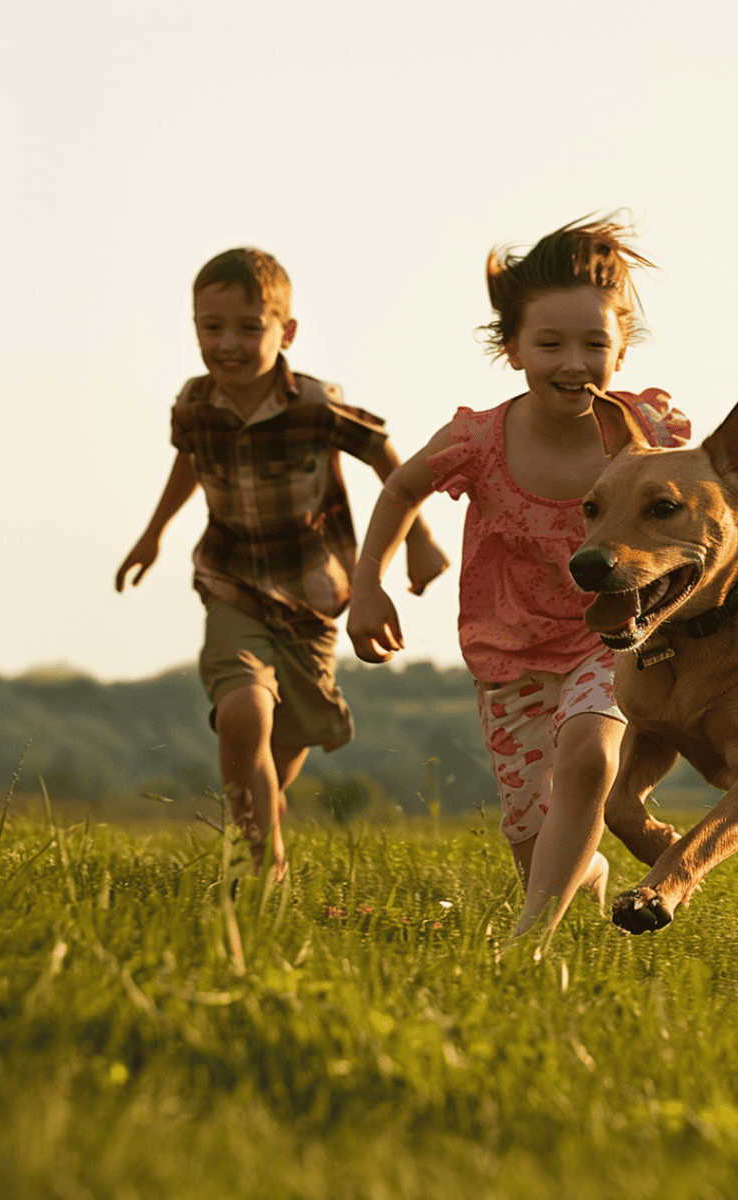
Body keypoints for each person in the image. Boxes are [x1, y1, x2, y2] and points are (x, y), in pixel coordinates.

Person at [348, 218, 689, 936]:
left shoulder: (646, 433)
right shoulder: (479, 440)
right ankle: (580, 874)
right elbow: (400, 489)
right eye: (550, 344)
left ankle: (528, 941)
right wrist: (370, 581)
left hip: (611, 639)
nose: (575, 362)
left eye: (595, 343)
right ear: (512, 349)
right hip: (511, 658)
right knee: (533, 836)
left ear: (621, 348)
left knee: (591, 751)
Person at [116, 247, 448, 877]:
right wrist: (153, 533)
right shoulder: (193, 404)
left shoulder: (314, 405)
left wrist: (419, 537)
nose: (227, 344)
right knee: (242, 713)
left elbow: (385, 455)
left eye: (249, 327)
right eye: (211, 328)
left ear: (285, 331)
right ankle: (257, 860)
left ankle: (266, 804)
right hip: (230, 584)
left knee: (289, 734)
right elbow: (189, 460)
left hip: (313, 594)